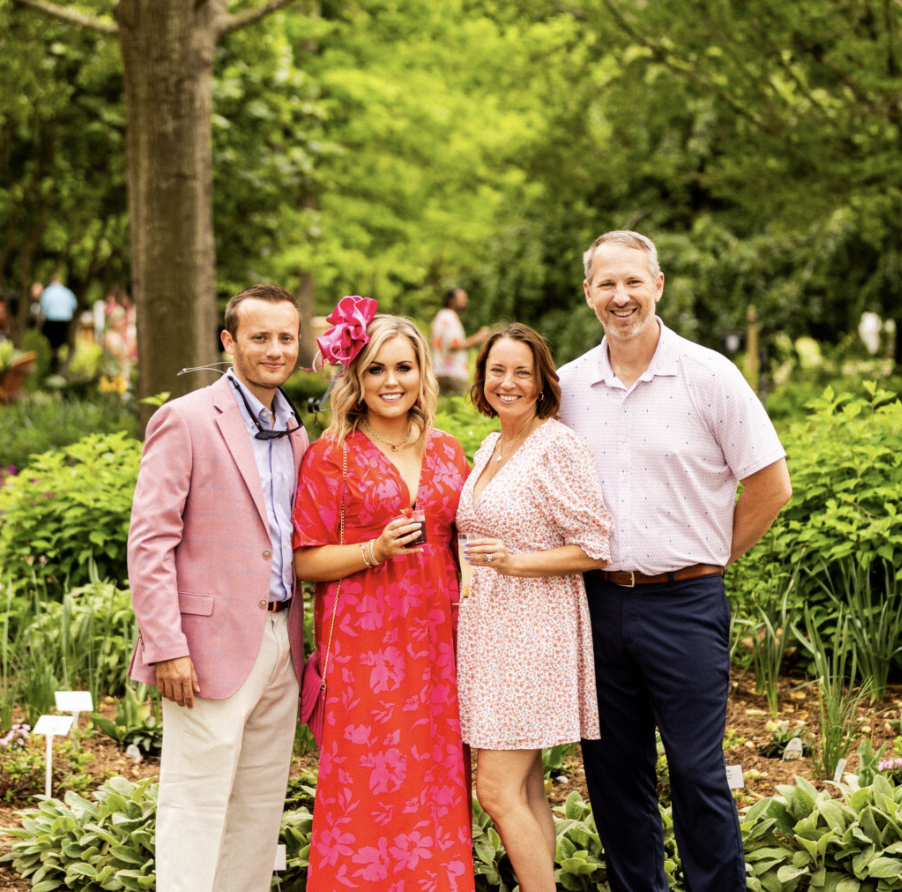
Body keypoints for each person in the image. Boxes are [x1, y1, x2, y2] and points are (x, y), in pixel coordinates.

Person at [558, 230, 792, 892]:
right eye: (607, 283)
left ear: (658, 285)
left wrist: (713, 558)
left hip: (686, 605)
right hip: (597, 602)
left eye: (633, 281)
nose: (621, 296)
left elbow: (771, 485)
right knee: (612, 773)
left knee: (696, 770)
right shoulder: (566, 387)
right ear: (588, 293)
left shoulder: (709, 375)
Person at [127, 284, 309, 892]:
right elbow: (149, 542)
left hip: (282, 638)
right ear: (229, 341)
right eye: (260, 337)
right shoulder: (184, 418)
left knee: (259, 806)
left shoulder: (295, 430)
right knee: (196, 803)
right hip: (204, 647)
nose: (275, 350)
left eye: (286, 337)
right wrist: (167, 647)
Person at [293, 299, 475, 892]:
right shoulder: (333, 455)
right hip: (364, 648)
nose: (390, 382)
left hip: (439, 643)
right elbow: (305, 560)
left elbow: (465, 543)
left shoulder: (448, 449)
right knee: (365, 789)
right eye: (375, 369)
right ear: (356, 376)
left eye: (402, 368)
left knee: (435, 782)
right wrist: (374, 549)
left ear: (422, 373)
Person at [455, 322, 613, 892]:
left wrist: (515, 562)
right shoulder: (490, 446)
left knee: (495, 790)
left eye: (522, 372)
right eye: (497, 370)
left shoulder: (556, 445)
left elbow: (596, 547)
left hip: (533, 633)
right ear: (482, 378)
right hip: (489, 632)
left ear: (542, 381)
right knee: (525, 789)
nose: (509, 382)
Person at [430, 285, 490, 394]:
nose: (465, 301)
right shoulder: (449, 318)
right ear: (451, 300)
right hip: (452, 373)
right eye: (462, 298)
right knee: (468, 400)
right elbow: (454, 345)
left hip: (441, 370)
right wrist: (478, 337)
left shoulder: (441, 316)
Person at [39, 274, 77, 368]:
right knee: (62, 344)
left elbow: (43, 308)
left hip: (51, 322)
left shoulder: (47, 292)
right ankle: (58, 362)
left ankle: (51, 363)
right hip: (65, 322)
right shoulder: (68, 292)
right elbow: (74, 306)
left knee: (50, 345)